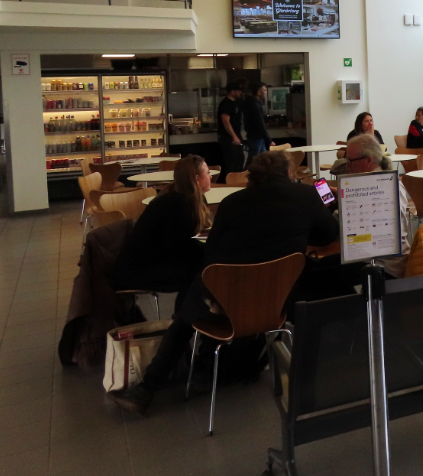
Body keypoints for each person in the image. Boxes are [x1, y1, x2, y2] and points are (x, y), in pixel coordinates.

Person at [110, 151, 338, 417]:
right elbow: (328, 234)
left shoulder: (233, 203)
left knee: (188, 312)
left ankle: (148, 389)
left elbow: (211, 254)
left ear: (253, 176)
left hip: (227, 303)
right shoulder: (308, 196)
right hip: (276, 304)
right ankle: (214, 367)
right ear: (289, 173)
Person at [115, 155, 211, 297]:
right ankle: (192, 310)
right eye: (208, 173)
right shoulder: (177, 204)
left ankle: (193, 309)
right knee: (201, 270)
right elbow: (178, 248)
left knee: (202, 265)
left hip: (149, 263)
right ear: (197, 179)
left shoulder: (182, 197)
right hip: (139, 271)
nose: (210, 177)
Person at [343, 133, 411, 279]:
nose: (348, 166)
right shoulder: (376, 182)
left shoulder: (381, 186)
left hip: (384, 265)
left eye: (351, 161)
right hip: (377, 258)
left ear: (368, 160)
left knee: (318, 276)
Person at [217, 78, 247, 182]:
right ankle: (232, 184)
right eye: (238, 91)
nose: (240, 93)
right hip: (228, 138)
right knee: (232, 163)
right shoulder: (226, 104)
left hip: (234, 136)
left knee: (239, 161)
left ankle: (237, 183)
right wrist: (234, 137)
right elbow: (226, 121)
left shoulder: (234, 103)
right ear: (233, 91)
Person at [243, 80, 274, 165]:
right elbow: (260, 123)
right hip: (256, 137)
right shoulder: (255, 105)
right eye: (264, 90)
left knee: (262, 160)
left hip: (256, 137)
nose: (266, 93)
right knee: (253, 161)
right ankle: (247, 173)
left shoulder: (251, 102)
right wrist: (269, 140)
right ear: (259, 92)